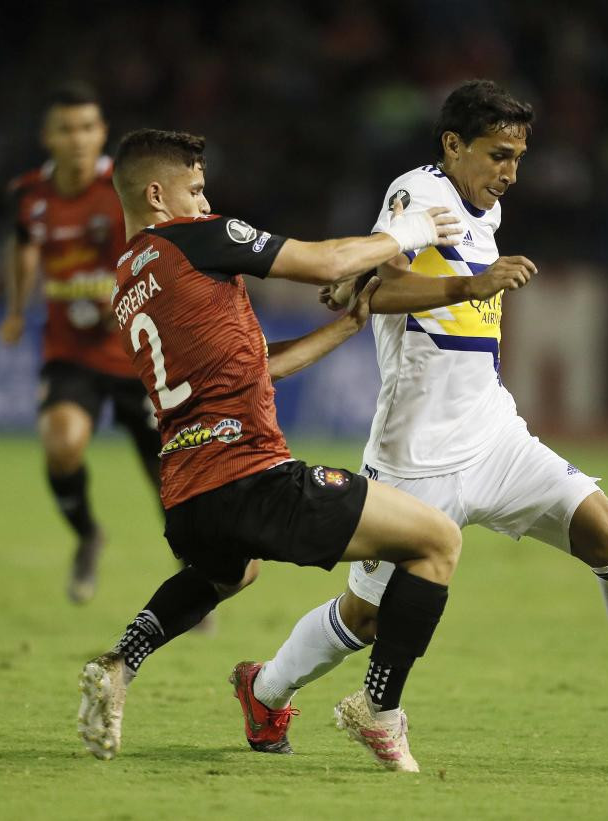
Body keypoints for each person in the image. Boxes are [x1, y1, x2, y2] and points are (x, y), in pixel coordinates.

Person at [232, 79, 608, 758]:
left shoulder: (486, 211)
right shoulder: (417, 194)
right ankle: (266, 689)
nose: (509, 173)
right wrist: (466, 284)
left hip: (496, 435)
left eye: (518, 158)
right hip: (415, 455)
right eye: (497, 154)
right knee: (363, 616)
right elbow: (373, 284)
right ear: (452, 144)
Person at [77, 128, 468, 773]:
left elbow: (255, 365)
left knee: (233, 571)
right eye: (195, 189)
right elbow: (323, 261)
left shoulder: (126, 281)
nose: (206, 202)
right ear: (156, 193)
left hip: (187, 494)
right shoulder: (198, 237)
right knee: (436, 541)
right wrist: (411, 230)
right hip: (251, 476)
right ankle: (379, 706)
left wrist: (343, 328)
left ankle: (120, 663)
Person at [0, 83, 160, 603]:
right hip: (71, 352)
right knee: (62, 444)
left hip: (136, 354)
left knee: (172, 481)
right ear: (48, 137)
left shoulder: (125, 188)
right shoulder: (29, 195)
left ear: (103, 133)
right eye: (66, 129)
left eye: (88, 127)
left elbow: (158, 251)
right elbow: (24, 246)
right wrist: (17, 310)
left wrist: (131, 303)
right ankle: (88, 535)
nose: (78, 139)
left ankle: (195, 573)